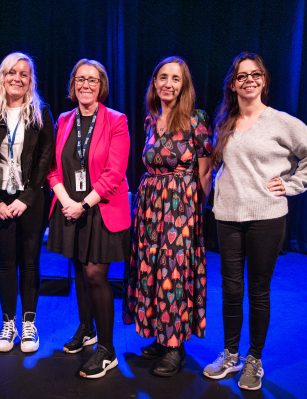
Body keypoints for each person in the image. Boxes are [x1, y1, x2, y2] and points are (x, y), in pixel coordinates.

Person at [202, 52, 307, 390]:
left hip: (266, 217)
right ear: (233, 84)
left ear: (264, 80)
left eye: (255, 74)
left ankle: (254, 359)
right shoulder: (223, 121)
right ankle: (230, 354)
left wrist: (292, 184)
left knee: (258, 290)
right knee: (231, 289)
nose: (249, 80)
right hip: (227, 216)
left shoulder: (279, 121)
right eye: (242, 76)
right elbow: (221, 166)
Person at [124, 56, 213, 377]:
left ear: (184, 85)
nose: (168, 84)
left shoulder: (196, 120)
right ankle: (161, 338)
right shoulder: (151, 120)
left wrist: (193, 212)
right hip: (149, 207)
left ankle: (175, 346)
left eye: (175, 78)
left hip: (181, 208)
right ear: (155, 82)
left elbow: (205, 173)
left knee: (174, 274)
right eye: (163, 77)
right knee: (152, 270)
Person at [47, 59, 130, 379]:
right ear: (73, 84)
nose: (86, 84)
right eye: (80, 79)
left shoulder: (116, 120)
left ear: (102, 85)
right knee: (80, 270)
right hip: (71, 205)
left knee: (95, 274)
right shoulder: (64, 120)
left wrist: (84, 203)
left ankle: (107, 349)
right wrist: (67, 200)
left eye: (92, 80)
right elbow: (52, 167)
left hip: (101, 207)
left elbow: (115, 172)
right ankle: (86, 328)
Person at [0, 52, 54, 353]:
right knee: (6, 263)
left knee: (30, 261)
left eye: (24, 74)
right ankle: (8, 323)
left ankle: (28, 324)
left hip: (30, 199)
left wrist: (27, 198)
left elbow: (45, 159)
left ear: (30, 79)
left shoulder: (40, 112)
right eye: (11, 72)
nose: (17, 78)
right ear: (2, 76)